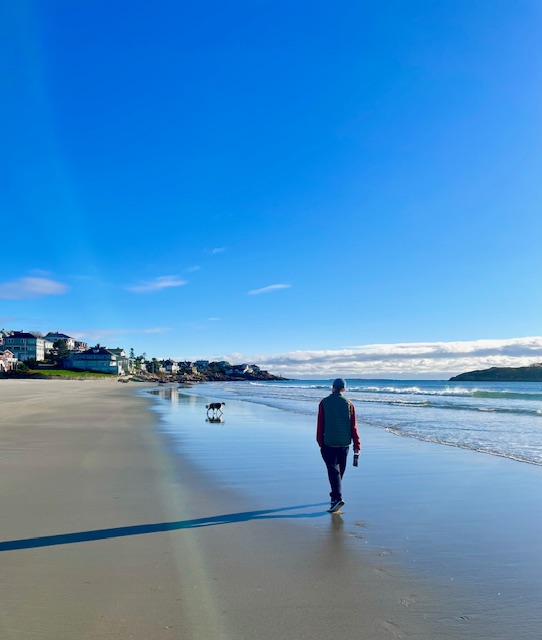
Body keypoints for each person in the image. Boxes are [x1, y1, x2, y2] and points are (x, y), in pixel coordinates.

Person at [316, 378, 361, 512]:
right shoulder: (349, 404)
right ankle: (335, 495)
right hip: (344, 444)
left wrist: (320, 442)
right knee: (339, 471)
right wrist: (357, 444)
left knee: (334, 471)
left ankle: (336, 497)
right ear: (344, 389)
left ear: (333, 387)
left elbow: (320, 425)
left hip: (328, 443)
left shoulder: (324, 403)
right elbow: (354, 426)